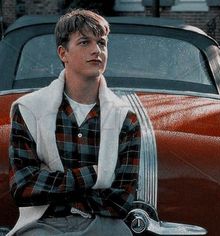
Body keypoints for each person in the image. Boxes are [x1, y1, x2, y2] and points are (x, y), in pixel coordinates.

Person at [8, 9, 141, 236]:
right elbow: (23, 187)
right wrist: (95, 174)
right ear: (63, 53)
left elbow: (122, 199)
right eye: (84, 42)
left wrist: (57, 190)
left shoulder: (125, 117)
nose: (96, 50)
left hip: (104, 225)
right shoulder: (29, 109)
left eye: (102, 42)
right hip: (43, 225)